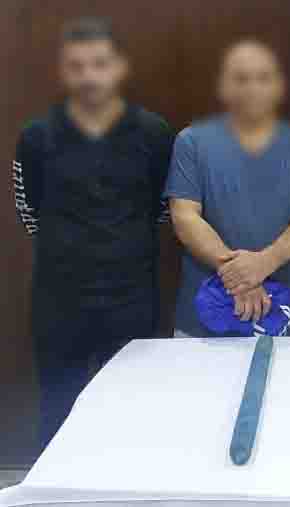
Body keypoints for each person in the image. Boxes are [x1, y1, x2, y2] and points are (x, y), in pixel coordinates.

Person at [11, 18, 173, 448]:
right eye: (77, 66)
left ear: (119, 68)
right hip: (59, 301)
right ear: (64, 71)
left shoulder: (154, 133)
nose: (89, 76)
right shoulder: (36, 136)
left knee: (127, 411)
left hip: (131, 299)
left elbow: (161, 209)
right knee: (57, 410)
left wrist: (119, 247)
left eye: (99, 64)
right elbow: (28, 211)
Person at [166, 40, 290, 338]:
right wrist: (241, 276)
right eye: (241, 79)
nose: (252, 88)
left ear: (279, 86)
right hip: (203, 322)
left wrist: (264, 263)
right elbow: (185, 217)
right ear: (224, 87)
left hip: (284, 319)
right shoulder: (190, 142)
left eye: (263, 78)